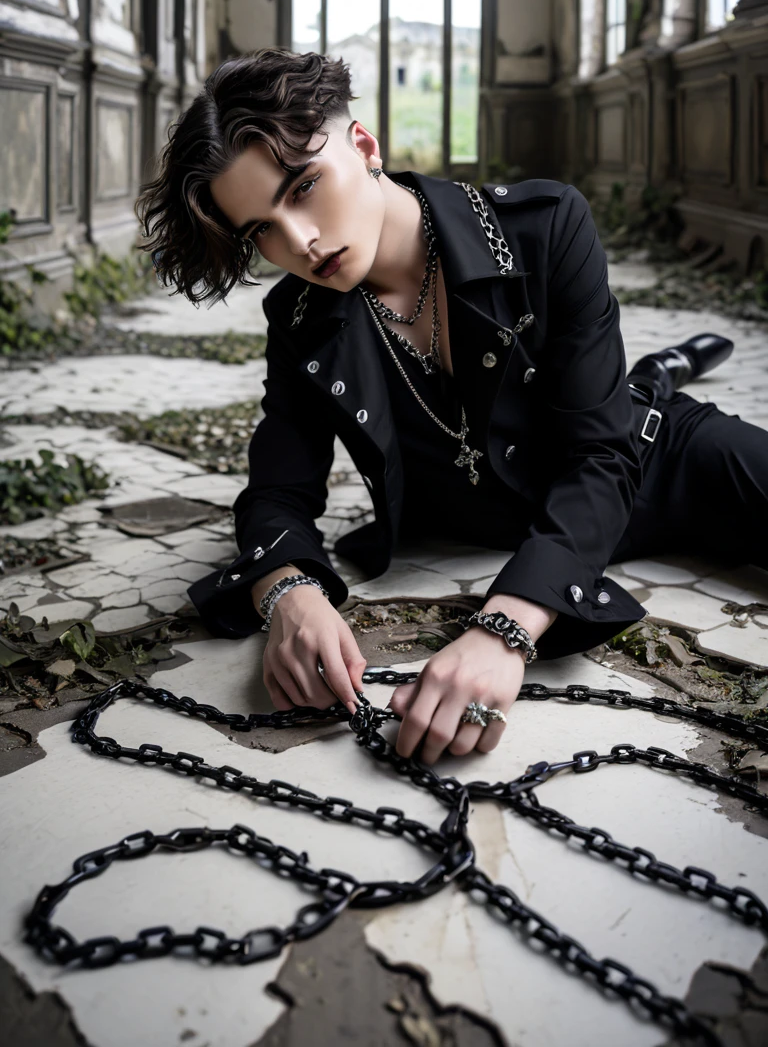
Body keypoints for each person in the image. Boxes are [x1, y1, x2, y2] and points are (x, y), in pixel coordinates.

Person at [136, 49, 766, 765]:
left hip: (645, 461)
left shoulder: (546, 224)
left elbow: (601, 453)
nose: (300, 241)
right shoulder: (301, 316)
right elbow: (278, 491)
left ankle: (661, 376)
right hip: (476, 511)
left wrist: (505, 631)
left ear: (364, 147)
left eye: (305, 187)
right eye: (262, 232)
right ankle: (661, 367)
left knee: (641, 407)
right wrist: (290, 594)